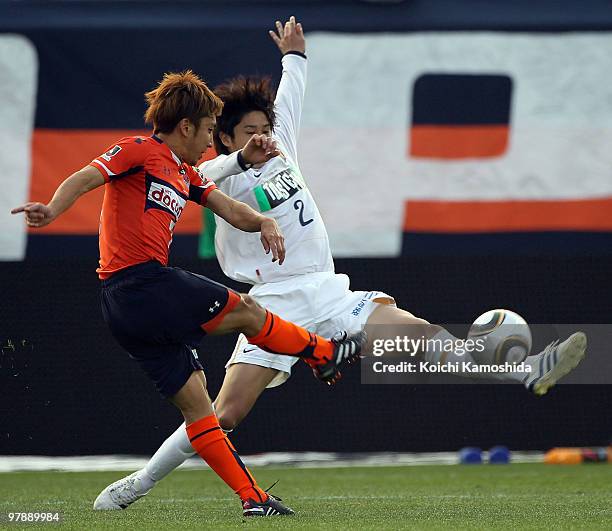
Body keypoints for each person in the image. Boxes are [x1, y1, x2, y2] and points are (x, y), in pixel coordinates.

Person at [94, 16, 587, 510]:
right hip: (272, 302)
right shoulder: (209, 172)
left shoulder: (279, 145)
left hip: (328, 290)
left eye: (265, 129)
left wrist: (294, 55)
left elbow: (292, 96)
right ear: (223, 138)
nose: (263, 137)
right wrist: (241, 158)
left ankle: (526, 368)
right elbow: (207, 169)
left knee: (418, 334)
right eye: (250, 132)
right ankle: (140, 483)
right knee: (225, 413)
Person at [11, 67, 367, 518]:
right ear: (186, 126)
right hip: (141, 284)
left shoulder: (186, 173)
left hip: (125, 310)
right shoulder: (139, 150)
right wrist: (51, 209)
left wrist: (263, 220)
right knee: (248, 311)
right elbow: (84, 178)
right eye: (207, 131)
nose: (209, 141)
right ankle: (321, 353)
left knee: (200, 410)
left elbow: (230, 208)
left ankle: (253, 499)